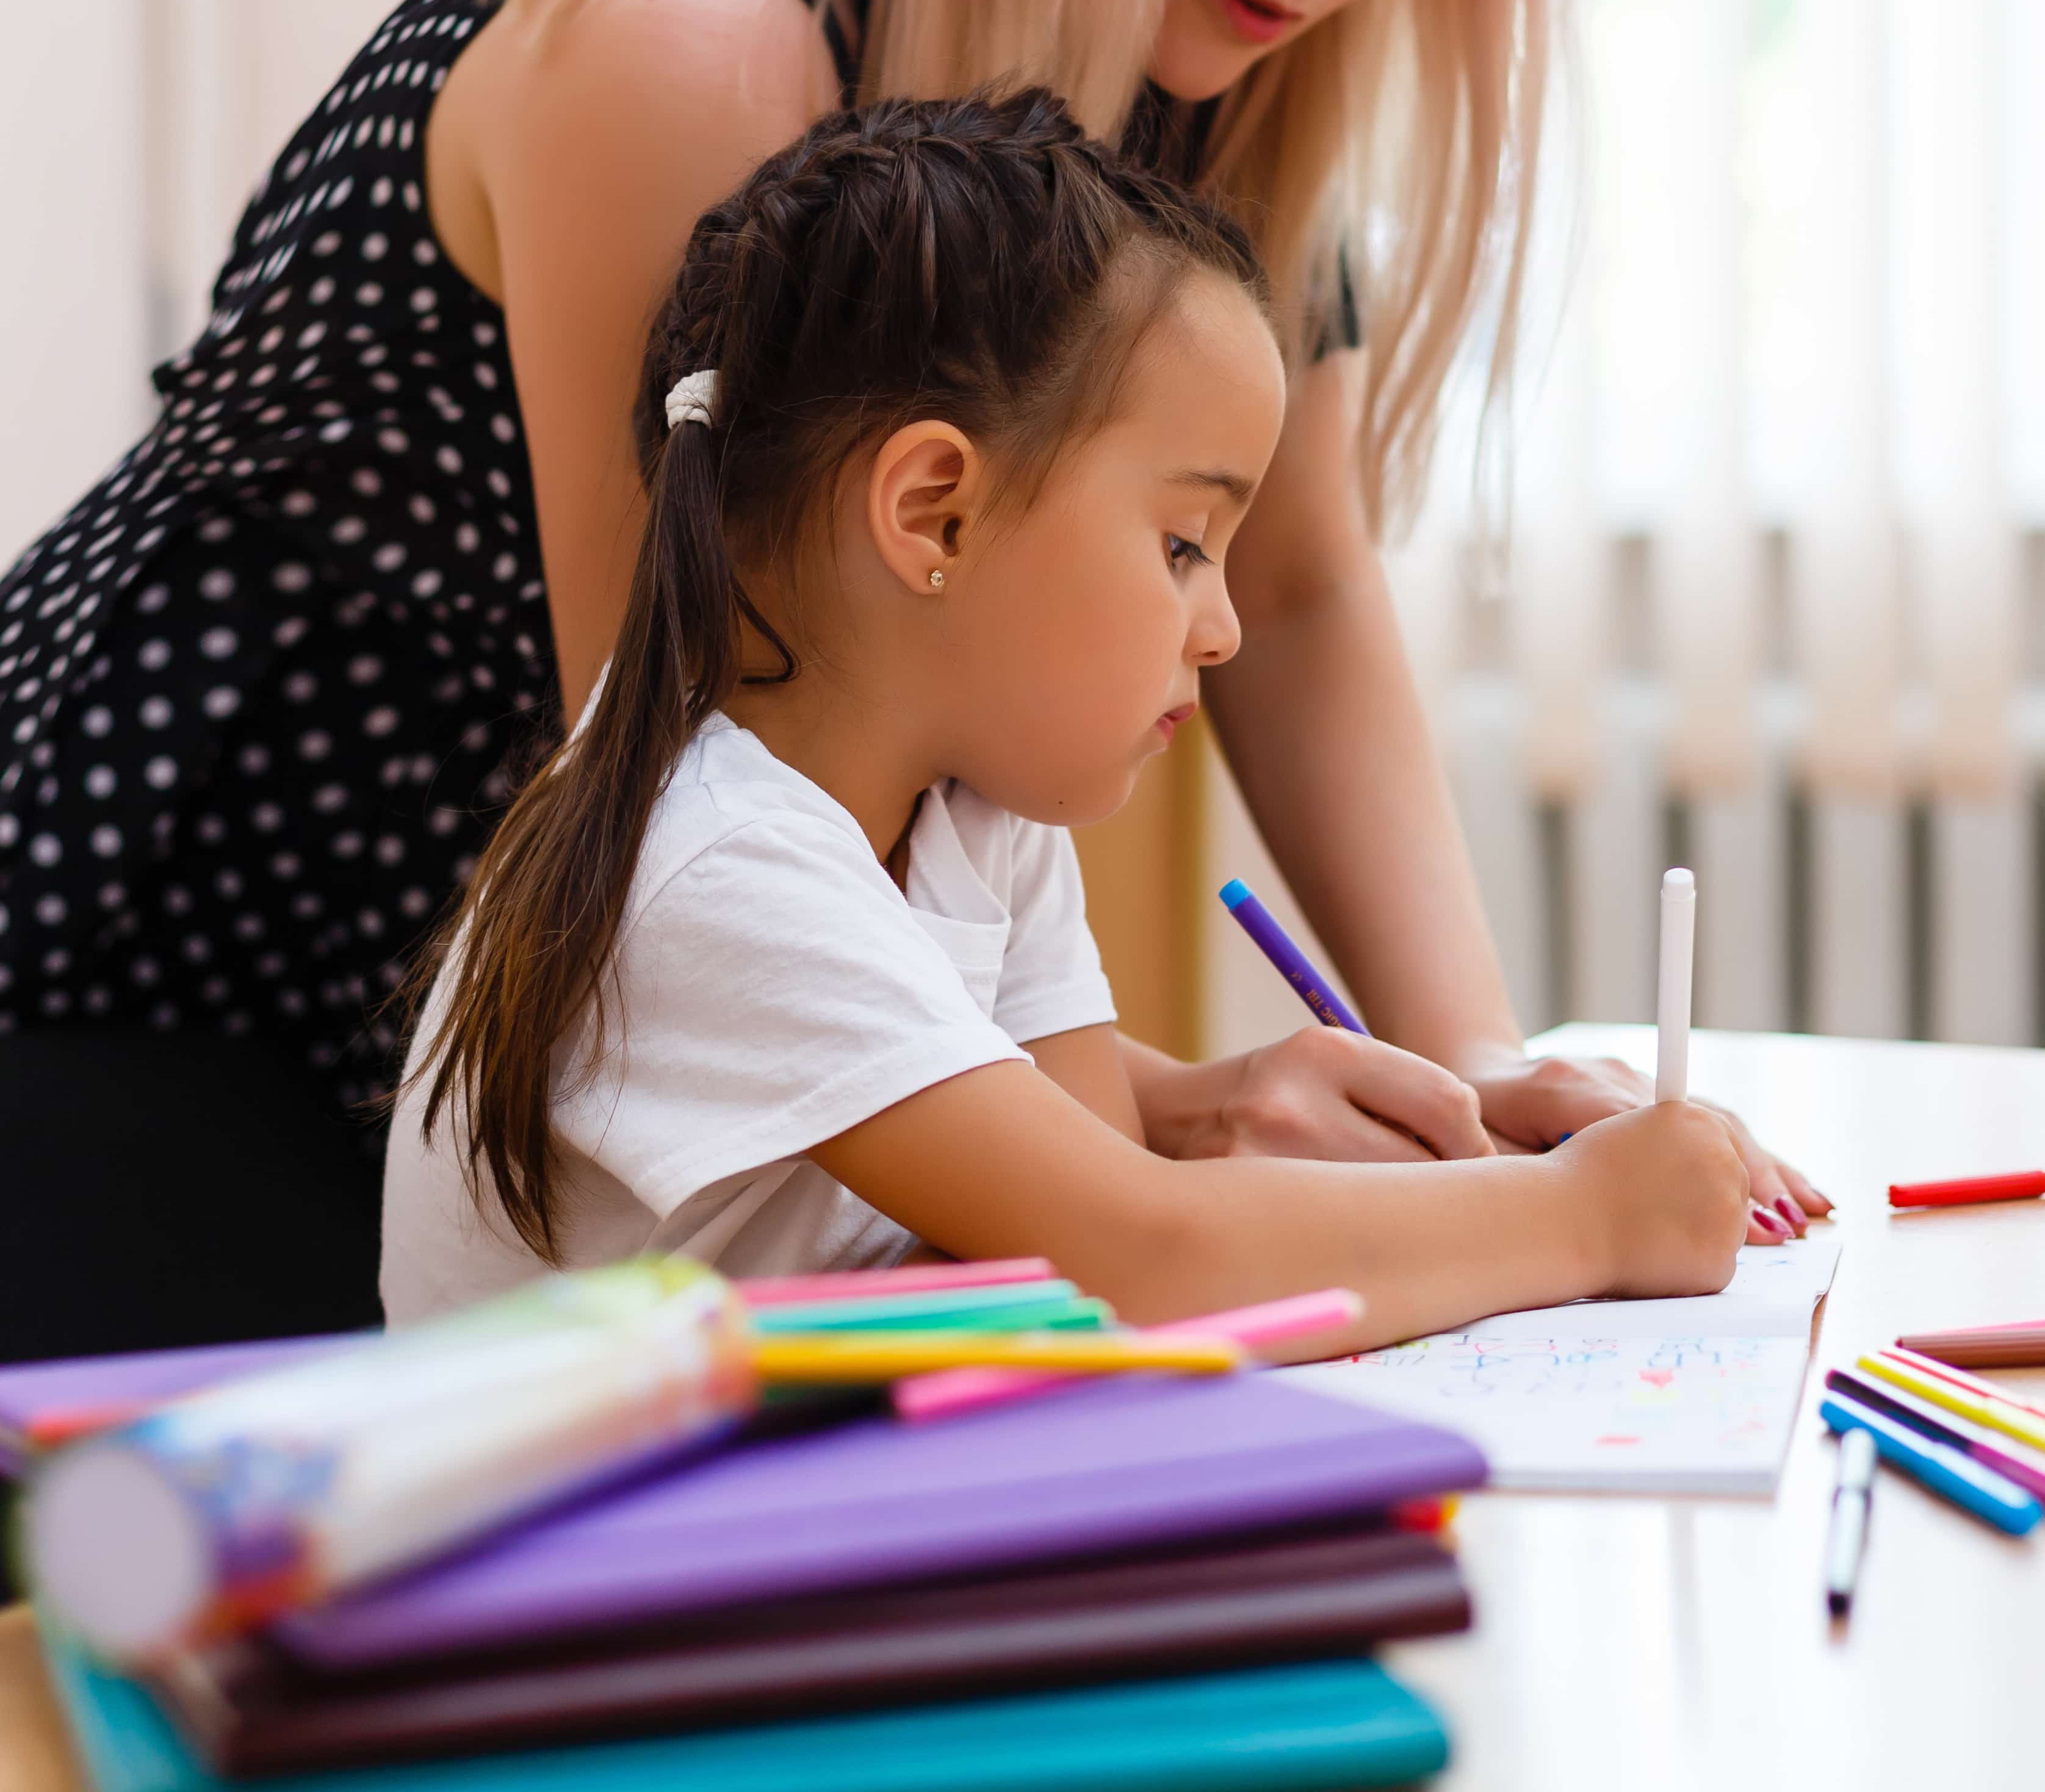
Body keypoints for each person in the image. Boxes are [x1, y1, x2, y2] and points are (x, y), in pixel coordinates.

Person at [0, 0, 1826, 1239]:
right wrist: (1167, 1140)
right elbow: (688, 769)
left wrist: (1477, 1092)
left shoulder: (1223, 79)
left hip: (611, 1083)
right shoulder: (703, 46)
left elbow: (1294, 589)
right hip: (173, 985)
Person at [384, 91, 1750, 1337]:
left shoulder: (967, 805)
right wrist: (1591, 1219)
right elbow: (1140, 1258)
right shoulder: (713, 859)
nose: (1218, 627)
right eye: (1181, 544)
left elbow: (1077, 1235)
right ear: (938, 511)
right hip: (599, 1572)